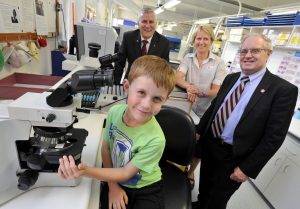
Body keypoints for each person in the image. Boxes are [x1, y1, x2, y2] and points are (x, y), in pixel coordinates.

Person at [190, 33, 298, 209]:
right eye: (244, 51)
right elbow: (214, 108)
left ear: (268, 53)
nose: (248, 55)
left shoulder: (283, 90)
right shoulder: (231, 79)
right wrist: (199, 131)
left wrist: (248, 168)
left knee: (217, 200)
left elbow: (274, 138)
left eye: (255, 50)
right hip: (211, 145)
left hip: (236, 156)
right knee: (205, 187)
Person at [58, 55, 176, 209]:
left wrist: (85, 171)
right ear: (126, 87)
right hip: (115, 177)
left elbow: (127, 173)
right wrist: (113, 187)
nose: (146, 105)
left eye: (156, 99)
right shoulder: (114, 112)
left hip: (145, 188)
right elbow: (106, 148)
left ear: (165, 100)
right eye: (141, 92)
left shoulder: (156, 139)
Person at [175, 25, 227, 188]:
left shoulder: (219, 63)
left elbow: (217, 90)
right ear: (194, 41)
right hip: (188, 107)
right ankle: (176, 167)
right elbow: (177, 77)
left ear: (211, 41)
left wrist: (199, 92)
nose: (201, 42)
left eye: (205, 39)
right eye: (198, 38)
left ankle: (190, 173)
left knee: (199, 146)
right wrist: (189, 87)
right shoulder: (188, 58)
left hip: (206, 111)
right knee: (182, 138)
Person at [114, 8, 170, 84]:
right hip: (130, 82)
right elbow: (119, 64)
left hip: (152, 85)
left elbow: (165, 70)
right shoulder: (128, 37)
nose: (147, 26)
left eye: (151, 22)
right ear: (138, 23)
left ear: (156, 24)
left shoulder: (164, 43)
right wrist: (115, 85)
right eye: (144, 21)